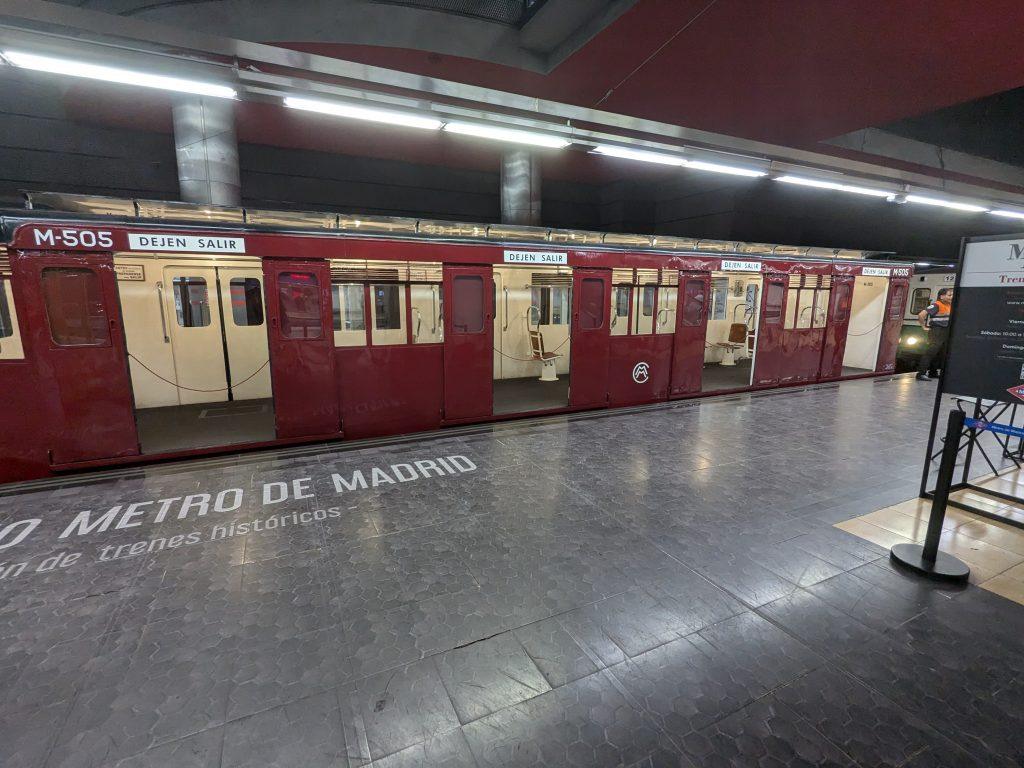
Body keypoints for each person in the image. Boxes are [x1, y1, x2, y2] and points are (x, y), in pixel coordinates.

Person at [916, 287, 953, 380]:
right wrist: (923, 326)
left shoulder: (949, 305)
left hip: (945, 331)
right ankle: (921, 374)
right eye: (949, 295)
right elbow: (921, 315)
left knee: (940, 353)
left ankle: (933, 372)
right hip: (937, 331)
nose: (951, 297)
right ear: (942, 296)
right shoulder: (936, 305)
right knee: (930, 352)